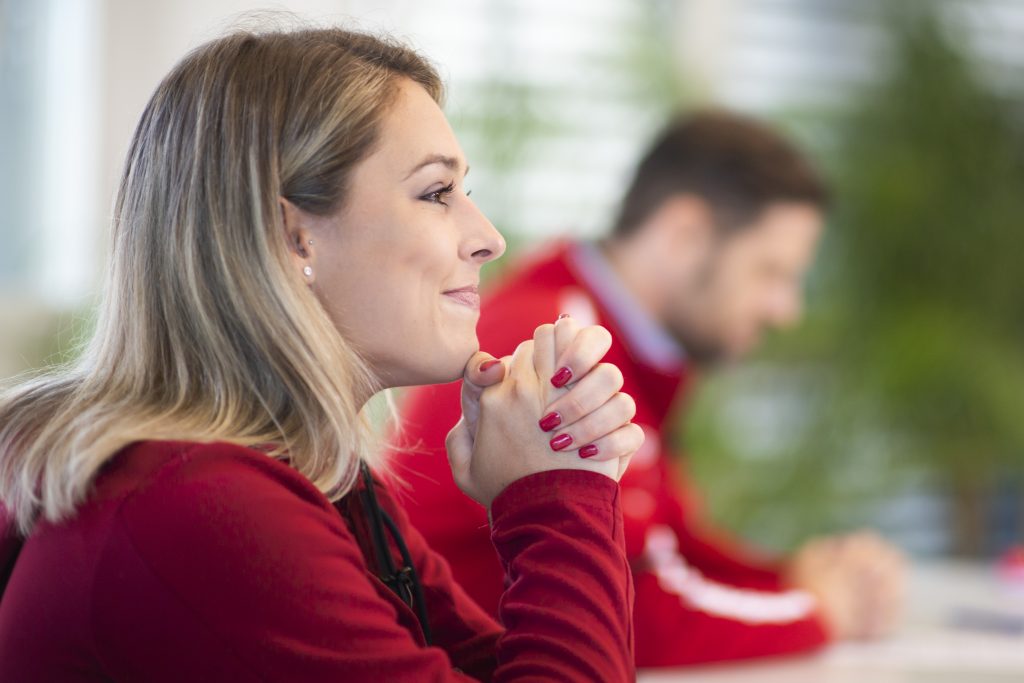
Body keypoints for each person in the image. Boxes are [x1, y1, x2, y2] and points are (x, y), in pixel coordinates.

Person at [0, 27, 645, 681]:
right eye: (435, 193)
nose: (489, 239)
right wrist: (558, 493)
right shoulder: (202, 510)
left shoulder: (321, 483)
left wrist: (557, 473)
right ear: (293, 237)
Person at [390, 111, 906, 667]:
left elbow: (667, 552)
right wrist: (819, 611)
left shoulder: (602, 330)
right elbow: (641, 615)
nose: (787, 310)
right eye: (770, 272)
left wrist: (791, 577)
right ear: (684, 234)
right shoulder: (563, 341)